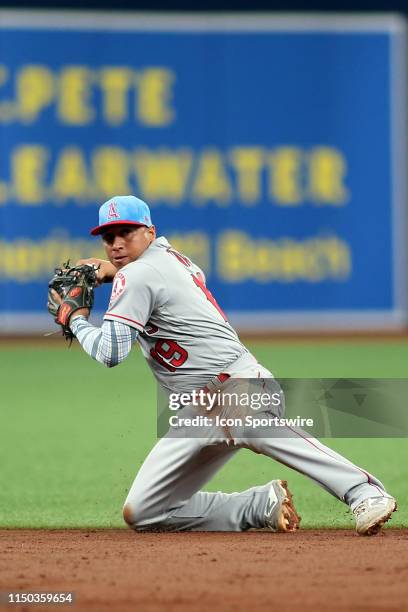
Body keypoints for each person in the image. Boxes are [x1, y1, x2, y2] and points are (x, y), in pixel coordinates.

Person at [51, 195, 397, 535]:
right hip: (199, 410)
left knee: (259, 427)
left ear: (150, 232)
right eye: (109, 236)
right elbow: (162, 272)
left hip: (237, 386)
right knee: (144, 512)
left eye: (127, 232)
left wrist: (77, 320)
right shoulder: (173, 259)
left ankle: (365, 492)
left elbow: (111, 353)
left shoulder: (138, 275)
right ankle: (258, 506)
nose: (116, 243)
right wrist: (113, 270)